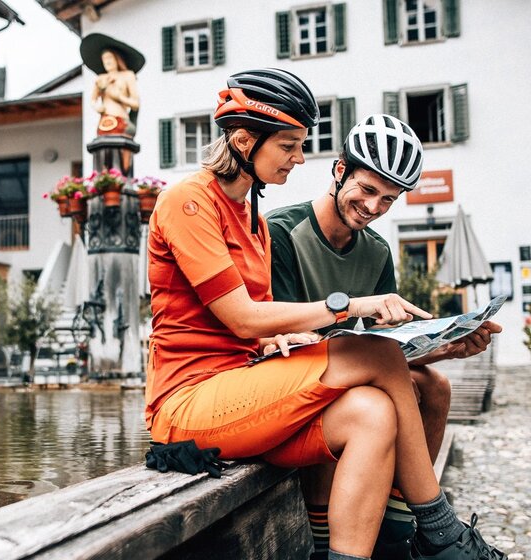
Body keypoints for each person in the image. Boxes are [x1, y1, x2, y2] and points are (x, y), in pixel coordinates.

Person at [145, 68, 504, 560]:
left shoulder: (252, 219)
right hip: (188, 404)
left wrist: (442, 345)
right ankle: (440, 530)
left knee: (373, 413)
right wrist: (350, 306)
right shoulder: (187, 200)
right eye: (290, 145)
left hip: (242, 393)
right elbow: (245, 319)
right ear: (246, 140)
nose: (300, 157)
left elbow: (264, 328)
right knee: (377, 357)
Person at [265, 114, 503, 559]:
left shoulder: (376, 251)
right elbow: (277, 334)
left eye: (388, 200)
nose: (373, 207)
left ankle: (397, 524)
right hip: (294, 377)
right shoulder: (281, 232)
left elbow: (386, 349)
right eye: (367, 190)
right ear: (339, 171)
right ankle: (418, 527)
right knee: (358, 398)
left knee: (434, 385)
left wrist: (445, 349)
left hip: (355, 368)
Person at [90, 48, 140, 138]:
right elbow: (93, 100)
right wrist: (97, 107)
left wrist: (120, 97)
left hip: (121, 119)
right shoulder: (100, 78)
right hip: (105, 121)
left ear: (117, 59)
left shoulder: (128, 75)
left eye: (109, 58)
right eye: (104, 59)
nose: (107, 61)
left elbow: (136, 104)